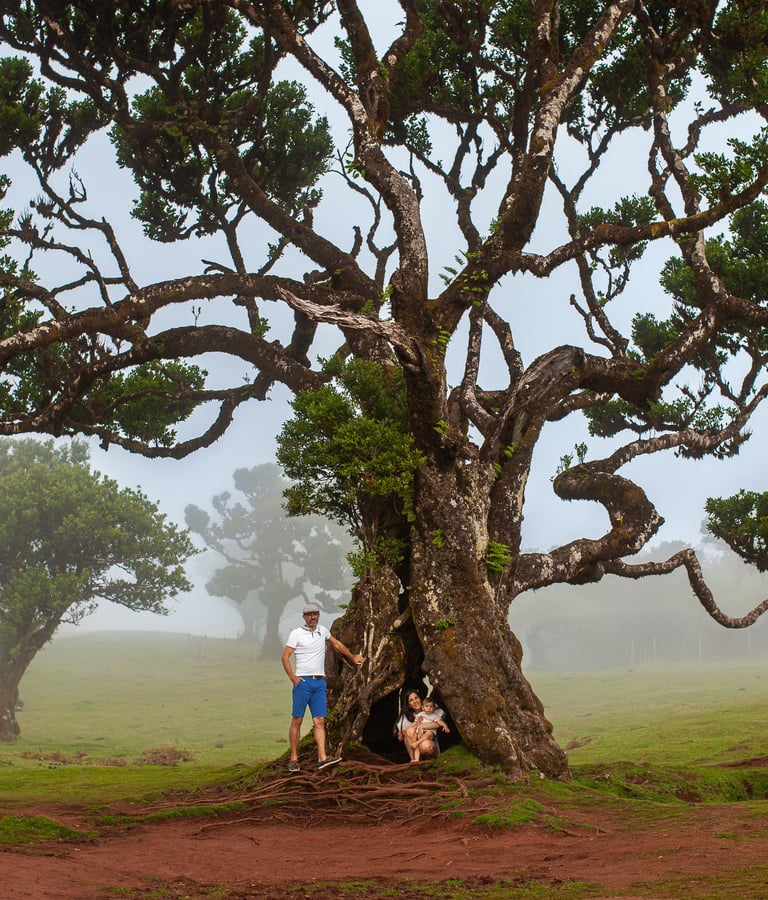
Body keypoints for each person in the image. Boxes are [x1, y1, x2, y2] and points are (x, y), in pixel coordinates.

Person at [281, 603, 364, 773]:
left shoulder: (323, 631)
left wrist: (352, 656)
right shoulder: (296, 633)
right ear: (304, 617)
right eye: (309, 615)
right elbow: (285, 657)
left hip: (319, 682)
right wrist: (293, 678)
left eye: (315, 614)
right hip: (303, 682)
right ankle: (293, 759)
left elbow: (337, 644)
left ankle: (322, 758)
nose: (313, 617)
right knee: (297, 719)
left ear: (319, 615)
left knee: (319, 720)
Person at [395, 689, 440, 762]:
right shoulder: (406, 716)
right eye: (411, 700)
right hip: (414, 744)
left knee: (426, 746)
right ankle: (414, 760)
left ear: (420, 698)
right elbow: (401, 737)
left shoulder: (429, 707)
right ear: (409, 705)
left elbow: (439, 723)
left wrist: (422, 726)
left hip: (428, 741)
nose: (415, 701)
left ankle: (431, 760)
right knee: (409, 731)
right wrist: (415, 726)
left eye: (416, 698)